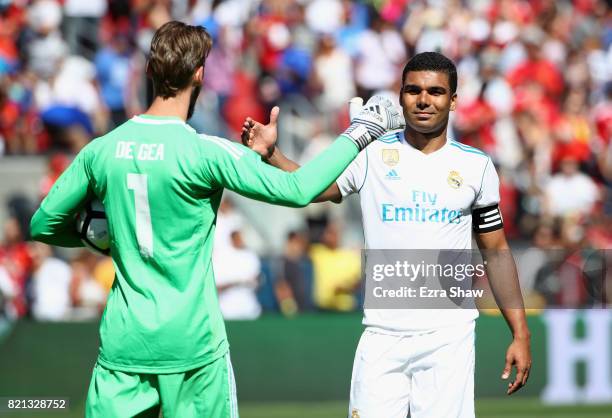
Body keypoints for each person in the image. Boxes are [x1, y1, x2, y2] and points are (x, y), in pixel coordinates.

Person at [29, 21, 404, 418]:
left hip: (125, 345)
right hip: (193, 347)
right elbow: (299, 190)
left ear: (151, 72)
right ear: (200, 74)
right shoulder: (206, 152)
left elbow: (43, 225)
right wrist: (361, 132)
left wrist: (110, 238)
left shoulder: (101, 150)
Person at [242, 52, 532, 418]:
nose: (423, 100)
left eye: (436, 92)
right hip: (382, 333)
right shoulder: (371, 152)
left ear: (453, 100)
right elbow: (315, 188)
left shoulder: (476, 166)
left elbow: (497, 252)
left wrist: (520, 334)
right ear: (401, 96)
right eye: (413, 90)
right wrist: (273, 155)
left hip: (448, 335)